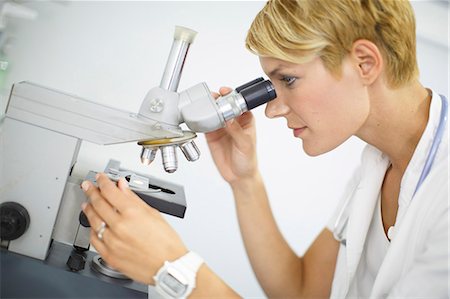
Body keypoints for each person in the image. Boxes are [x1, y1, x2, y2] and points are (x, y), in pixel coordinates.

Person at [80, 0, 449, 298]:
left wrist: (174, 271)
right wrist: (245, 181)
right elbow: (303, 292)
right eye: (271, 86)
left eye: (288, 79)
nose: (273, 109)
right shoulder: (378, 163)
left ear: (365, 63)